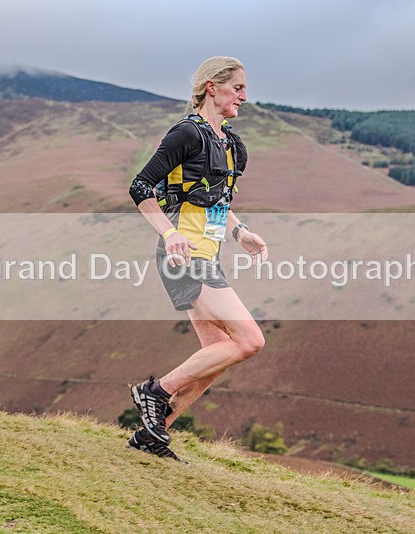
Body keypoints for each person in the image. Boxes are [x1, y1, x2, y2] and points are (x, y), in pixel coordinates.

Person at [126, 57, 268, 461]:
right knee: (250, 340)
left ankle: (154, 436)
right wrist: (169, 234)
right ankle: (155, 392)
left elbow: (218, 203)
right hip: (181, 256)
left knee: (216, 356)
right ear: (211, 86)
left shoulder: (232, 146)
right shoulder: (187, 134)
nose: (244, 95)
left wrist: (242, 234)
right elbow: (140, 187)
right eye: (237, 87)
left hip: (210, 256)